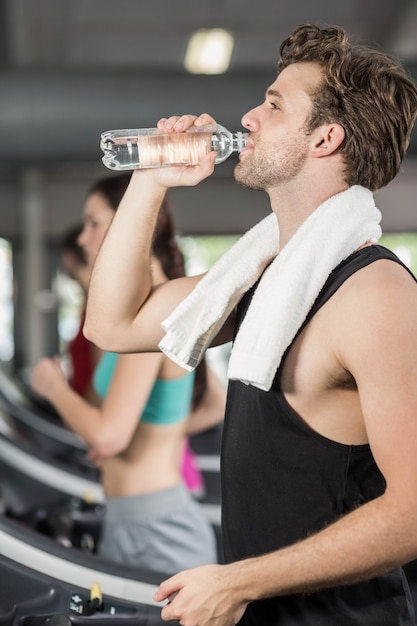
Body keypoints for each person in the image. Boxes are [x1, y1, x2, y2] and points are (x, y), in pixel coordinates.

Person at [84, 23, 417, 625]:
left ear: (326, 138)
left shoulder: (374, 294)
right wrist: (150, 179)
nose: (249, 117)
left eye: (273, 104)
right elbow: (113, 324)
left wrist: (240, 582)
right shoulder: (271, 284)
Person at [30, 173, 221, 574]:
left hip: (158, 530)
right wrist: (154, 431)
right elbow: (119, 426)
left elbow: (108, 435)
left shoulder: (154, 310)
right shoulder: (130, 315)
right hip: (131, 518)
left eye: (93, 223)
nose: (83, 239)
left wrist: (52, 385)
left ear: (130, 222)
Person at [59, 224, 102, 404]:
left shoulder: (99, 304)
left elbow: (102, 382)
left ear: (68, 258)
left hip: (90, 419)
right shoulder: (90, 303)